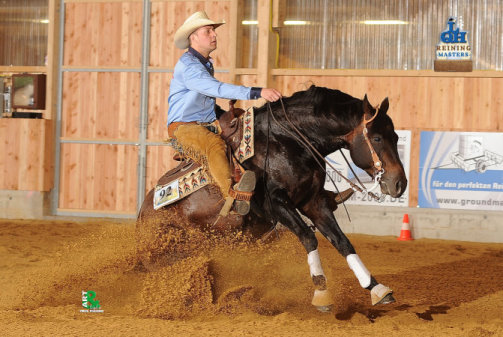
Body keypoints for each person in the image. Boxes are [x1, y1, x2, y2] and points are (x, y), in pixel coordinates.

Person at [167, 11, 282, 217]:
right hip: (184, 128)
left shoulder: (203, 63)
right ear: (193, 37)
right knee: (215, 145)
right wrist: (256, 92)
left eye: (214, 31)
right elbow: (216, 89)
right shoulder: (189, 66)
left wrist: (222, 113)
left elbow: (205, 99)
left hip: (205, 121)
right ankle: (232, 196)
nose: (214, 35)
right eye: (208, 31)